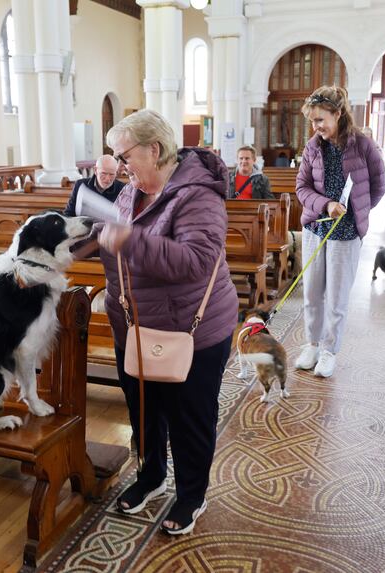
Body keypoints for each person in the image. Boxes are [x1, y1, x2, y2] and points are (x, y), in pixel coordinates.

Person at [97, 109, 238, 535]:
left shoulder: (198, 195)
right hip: (134, 325)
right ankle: (152, 476)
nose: (121, 166)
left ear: (154, 150)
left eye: (125, 156)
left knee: (190, 417)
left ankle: (191, 494)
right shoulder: (130, 191)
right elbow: (115, 242)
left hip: (190, 331)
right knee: (144, 410)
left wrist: (129, 240)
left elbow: (196, 261)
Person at [294, 85, 385, 378]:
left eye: (320, 119)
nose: (316, 126)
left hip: (346, 234)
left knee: (336, 298)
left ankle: (329, 351)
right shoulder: (312, 146)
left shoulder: (362, 145)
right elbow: (301, 188)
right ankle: (311, 344)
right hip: (315, 228)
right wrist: (326, 205)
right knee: (311, 293)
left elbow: (379, 184)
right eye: (312, 120)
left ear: (337, 113)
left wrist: (358, 210)